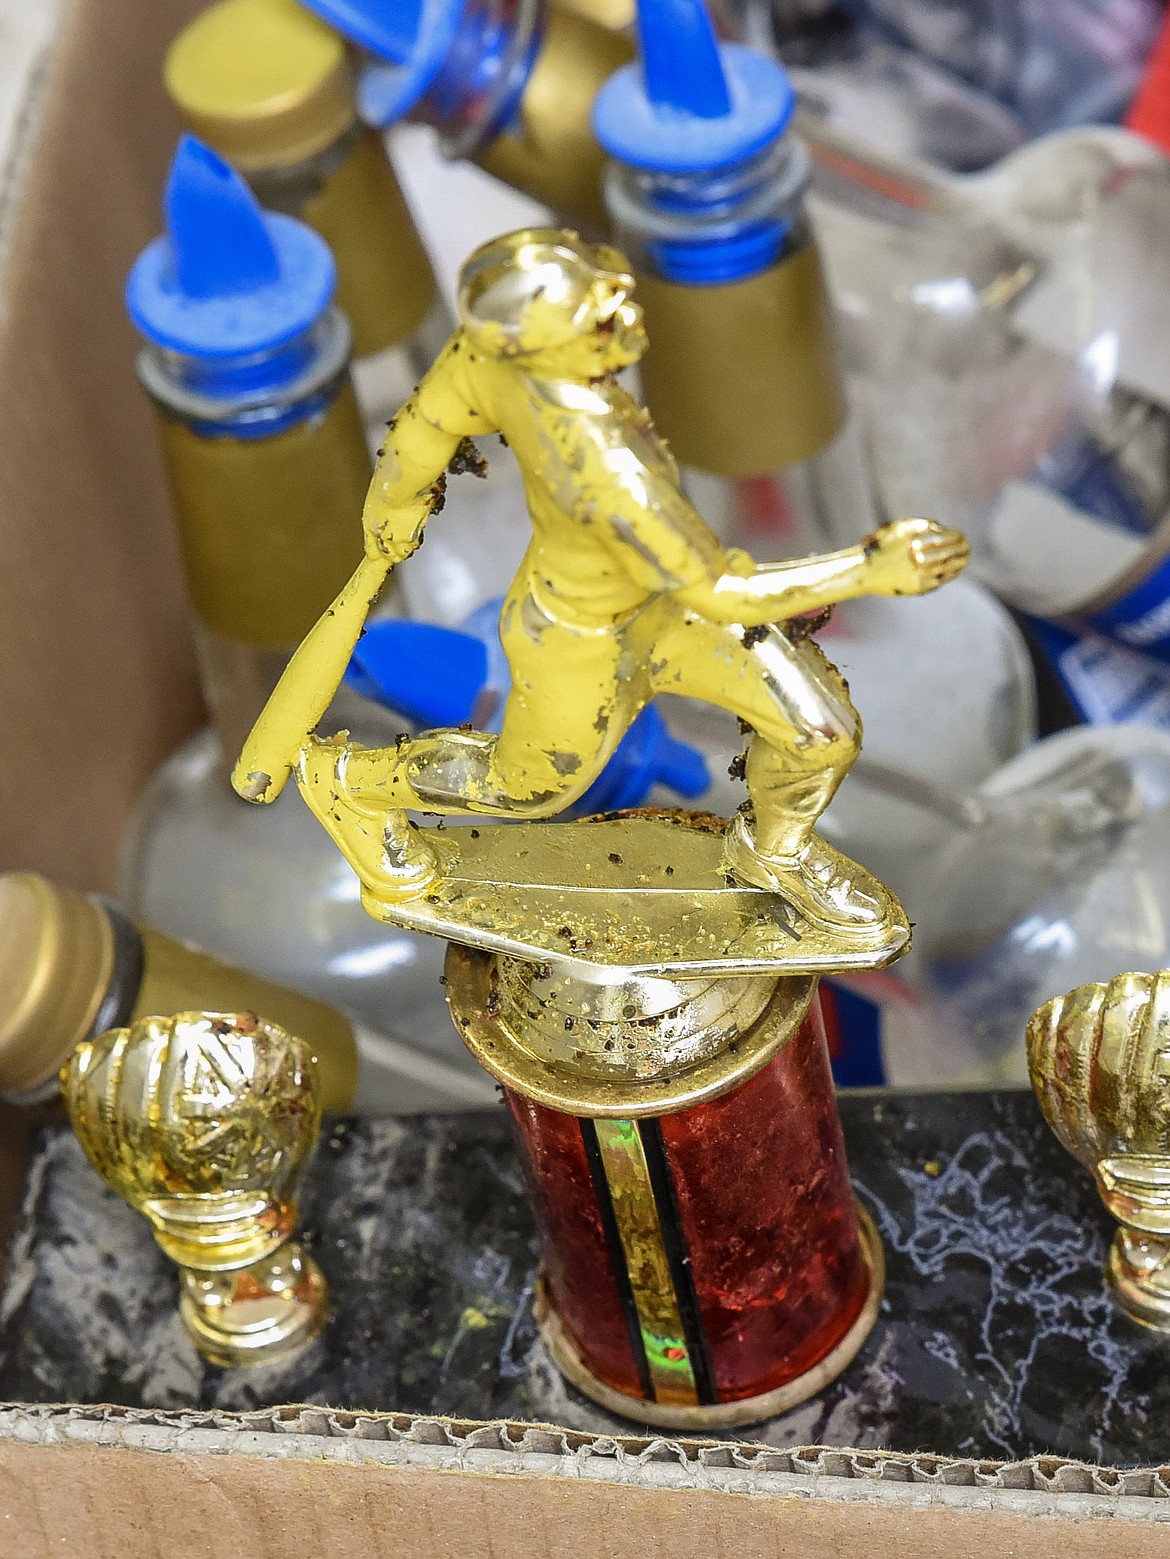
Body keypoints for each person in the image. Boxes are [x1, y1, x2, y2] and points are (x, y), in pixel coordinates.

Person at [268, 228, 969, 940]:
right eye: (600, 321)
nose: (631, 322)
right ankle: (347, 783)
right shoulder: (605, 472)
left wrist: (391, 500)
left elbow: (426, 423)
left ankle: (773, 852)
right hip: (578, 643)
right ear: (537, 345)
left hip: (661, 609)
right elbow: (726, 592)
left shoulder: (494, 357)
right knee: (527, 787)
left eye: (616, 296)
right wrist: (870, 568)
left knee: (819, 733)